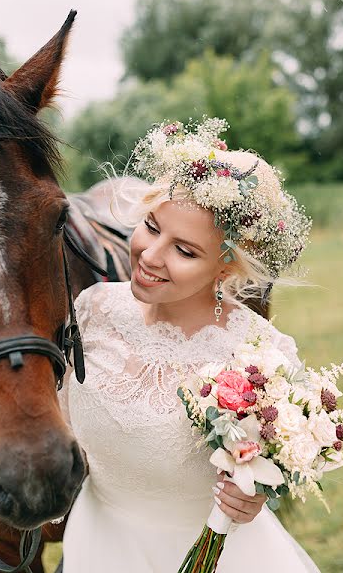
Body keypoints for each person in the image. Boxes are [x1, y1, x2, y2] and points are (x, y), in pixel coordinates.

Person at [58, 118, 321, 572]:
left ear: (225, 270)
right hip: (98, 545)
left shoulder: (260, 356)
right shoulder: (92, 310)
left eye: (185, 250)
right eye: (151, 226)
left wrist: (256, 491)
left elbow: (287, 456)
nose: (150, 255)